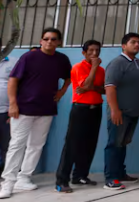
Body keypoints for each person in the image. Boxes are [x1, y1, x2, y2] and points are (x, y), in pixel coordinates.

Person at [0, 28, 71, 198]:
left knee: (36, 145)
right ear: (41, 41)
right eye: (46, 39)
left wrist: (61, 91)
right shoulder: (29, 57)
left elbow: (69, 77)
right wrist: (13, 104)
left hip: (46, 109)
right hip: (23, 109)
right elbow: (13, 80)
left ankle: (24, 178)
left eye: (53, 39)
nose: (49, 42)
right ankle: (7, 183)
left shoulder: (61, 59)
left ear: (58, 42)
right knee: (17, 145)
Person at [55, 39, 105, 193]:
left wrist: (92, 87)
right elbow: (85, 86)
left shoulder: (102, 70)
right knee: (72, 144)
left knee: (90, 144)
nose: (94, 53)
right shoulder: (78, 67)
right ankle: (62, 180)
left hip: (96, 108)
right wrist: (93, 69)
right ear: (84, 53)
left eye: (97, 50)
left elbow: (103, 89)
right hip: (81, 109)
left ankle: (80, 175)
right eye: (91, 50)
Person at [103, 32, 139, 191]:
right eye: (133, 42)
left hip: (133, 112)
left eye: (138, 42)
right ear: (123, 46)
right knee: (114, 144)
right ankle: (110, 178)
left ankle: (121, 173)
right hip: (120, 113)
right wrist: (114, 110)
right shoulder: (117, 64)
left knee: (123, 144)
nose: (137, 45)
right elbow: (110, 88)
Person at [0, 40, 19, 177]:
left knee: (8, 145)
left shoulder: (13, 62)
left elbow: (21, 86)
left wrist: (15, 107)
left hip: (6, 112)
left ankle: (8, 175)